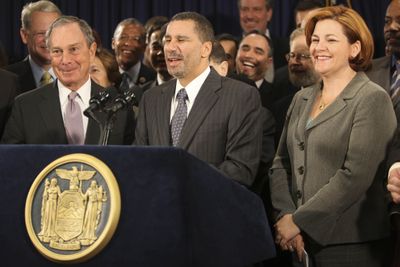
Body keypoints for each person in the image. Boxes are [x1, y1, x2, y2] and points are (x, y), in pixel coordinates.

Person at [270, 6, 396, 266]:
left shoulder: (372, 98)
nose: (318, 47)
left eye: (331, 40)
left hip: (351, 245)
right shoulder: (301, 97)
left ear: (355, 49)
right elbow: (280, 163)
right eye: (315, 39)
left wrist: (299, 220)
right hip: (299, 242)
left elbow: (354, 176)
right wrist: (286, 215)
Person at [135, 12, 263, 186]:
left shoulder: (240, 96)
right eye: (168, 40)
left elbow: (240, 170)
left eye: (181, 40)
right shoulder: (151, 98)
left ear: (206, 49)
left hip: (208, 209)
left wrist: (177, 178)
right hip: (156, 208)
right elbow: (139, 161)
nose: (171, 47)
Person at [1, 16, 135, 145]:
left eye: (74, 49)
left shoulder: (118, 107)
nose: (65, 60)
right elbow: (11, 163)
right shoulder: (25, 106)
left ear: (91, 51)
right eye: (57, 51)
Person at [271, 27, 320, 145]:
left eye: (303, 56)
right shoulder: (281, 109)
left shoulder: (339, 101)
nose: (294, 62)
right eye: (292, 55)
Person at [5, 0, 61, 94]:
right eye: (41, 33)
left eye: (54, 32)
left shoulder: (77, 76)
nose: (48, 40)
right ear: (24, 35)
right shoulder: (6, 80)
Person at [237, 0, 289, 82]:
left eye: (256, 9)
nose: (250, 16)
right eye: (245, 9)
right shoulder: (231, 47)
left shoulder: (287, 48)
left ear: (269, 14)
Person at [112, 18, 156, 90]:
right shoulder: (105, 75)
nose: (128, 43)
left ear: (144, 47)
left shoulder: (153, 78)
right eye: (123, 37)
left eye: (135, 39)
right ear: (113, 43)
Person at [236, 30, 274, 110]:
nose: (249, 55)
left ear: (269, 62)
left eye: (258, 52)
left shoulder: (276, 97)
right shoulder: (220, 89)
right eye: (245, 49)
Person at [141, 22, 172, 92]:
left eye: (165, 46)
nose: (160, 53)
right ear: (148, 49)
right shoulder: (142, 93)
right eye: (156, 47)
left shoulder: (192, 90)